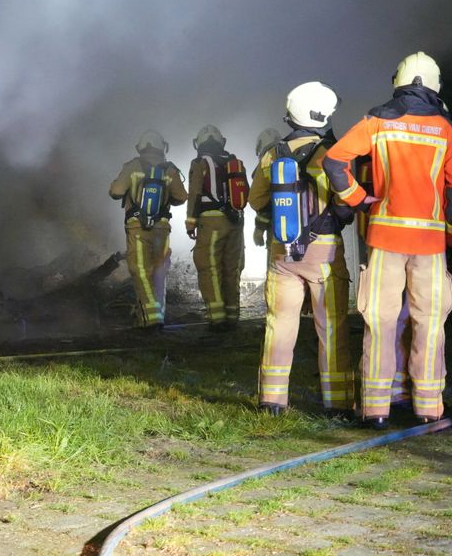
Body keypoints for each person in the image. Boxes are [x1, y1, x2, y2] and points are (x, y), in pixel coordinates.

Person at [323, 52, 452, 428]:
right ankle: (428, 408)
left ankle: (375, 408)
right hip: (431, 244)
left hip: (385, 237)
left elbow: (334, 161)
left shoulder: (377, 120)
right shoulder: (449, 129)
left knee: (380, 323)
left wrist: (358, 199)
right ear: (434, 86)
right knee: (430, 323)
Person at [248, 82, 354, 415]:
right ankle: (337, 402)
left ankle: (272, 400)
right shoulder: (334, 153)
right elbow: (347, 203)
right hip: (324, 253)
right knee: (332, 326)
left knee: (279, 324)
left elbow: (256, 201)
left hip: (282, 253)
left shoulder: (272, 153)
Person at [109, 130, 187, 330]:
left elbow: (116, 192)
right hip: (162, 229)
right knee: (158, 271)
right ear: (162, 147)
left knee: (141, 271)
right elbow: (181, 197)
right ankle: (154, 314)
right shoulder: (169, 169)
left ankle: (151, 319)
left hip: (137, 227)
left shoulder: (133, 166)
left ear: (140, 147)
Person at [185, 125, 247, 331]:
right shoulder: (235, 163)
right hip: (236, 222)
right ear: (222, 141)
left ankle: (217, 320)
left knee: (209, 267)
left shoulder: (200, 163)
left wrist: (190, 222)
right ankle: (232, 316)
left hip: (211, 222)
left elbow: (194, 193)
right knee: (232, 268)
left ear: (200, 142)